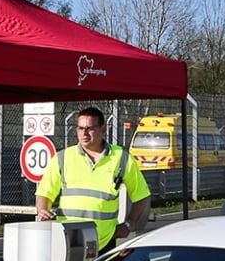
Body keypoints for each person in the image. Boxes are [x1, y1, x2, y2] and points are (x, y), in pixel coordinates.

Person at [34, 106, 150, 250]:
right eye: (80, 128)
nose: (84, 133)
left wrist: (129, 224)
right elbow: (44, 193)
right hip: (68, 241)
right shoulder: (63, 158)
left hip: (104, 241)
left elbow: (142, 195)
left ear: (103, 129)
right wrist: (43, 210)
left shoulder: (121, 158)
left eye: (90, 128)